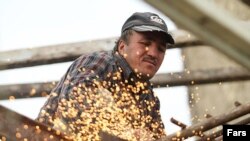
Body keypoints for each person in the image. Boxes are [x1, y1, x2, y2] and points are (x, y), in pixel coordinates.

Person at [36, 12, 174, 140]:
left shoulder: (149, 98)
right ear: (122, 46)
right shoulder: (100, 62)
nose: (153, 54)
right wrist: (128, 132)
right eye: (145, 44)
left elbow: (157, 137)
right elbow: (75, 103)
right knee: (101, 97)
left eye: (160, 49)